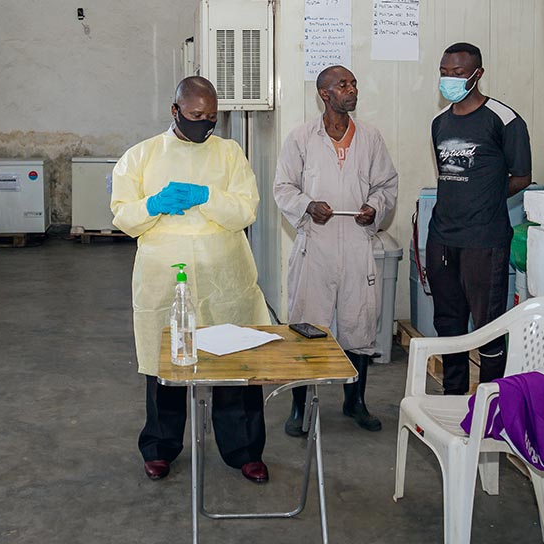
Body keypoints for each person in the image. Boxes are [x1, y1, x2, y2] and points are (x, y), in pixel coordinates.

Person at [110, 76, 272, 483]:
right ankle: (160, 447)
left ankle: (244, 450)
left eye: (212, 117)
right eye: (197, 115)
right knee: (165, 363)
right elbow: (124, 218)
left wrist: (207, 196)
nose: (205, 124)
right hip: (165, 280)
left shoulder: (230, 154)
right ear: (175, 110)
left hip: (224, 277)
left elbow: (245, 211)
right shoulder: (141, 157)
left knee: (235, 363)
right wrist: (155, 203)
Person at [273, 65, 398, 435]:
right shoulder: (301, 138)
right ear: (324, 94)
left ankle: (354, 402)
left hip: (358, 245)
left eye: (354, 84)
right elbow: (283, 187)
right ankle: (299, 408)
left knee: (358, 323)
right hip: (316, 246)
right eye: (343, 85)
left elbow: (386, 184)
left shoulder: (371, 138)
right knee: (307, 325)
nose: (352, 89)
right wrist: (309, 205)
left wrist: (375, 207)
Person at [427, 42, 532, 396]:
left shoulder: (504, 120)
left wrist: (484, 198)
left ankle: (489, 402)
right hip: (442, 238)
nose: (449, 79)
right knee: (449, 324)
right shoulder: (439, 123)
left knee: (488, 326)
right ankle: (453, 398)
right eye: (444, 72)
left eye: (458, 73)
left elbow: (521, 176)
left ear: (477, 74)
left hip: (484, 241)